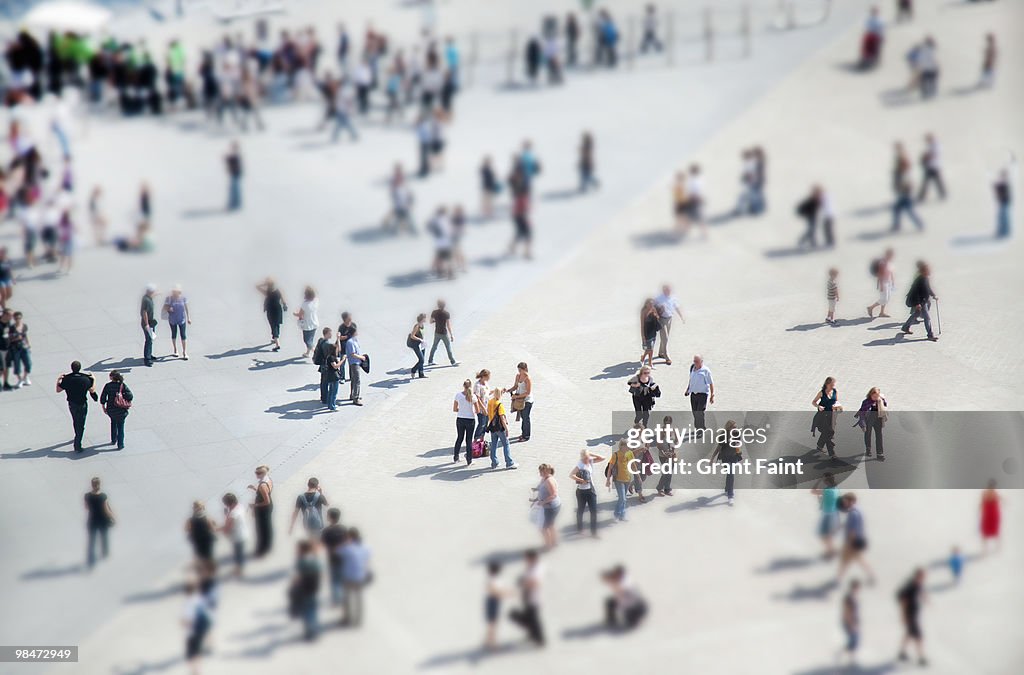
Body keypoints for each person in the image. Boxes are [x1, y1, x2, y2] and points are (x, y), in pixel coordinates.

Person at [57, 361, 96, 452]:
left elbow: (58, 390)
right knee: (81, 424)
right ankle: (77, 444)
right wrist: (94, 379)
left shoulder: (67, 379)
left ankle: (77, 434)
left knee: (75, 420)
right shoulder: (85, 378)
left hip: (72, 404)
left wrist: (58, 380)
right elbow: (92, 389)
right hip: (82, 404)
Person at [837, 493, 875, 583]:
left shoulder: (853, 513)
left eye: (845, 501)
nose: (844, 503)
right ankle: (871, 575)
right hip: (858, 540)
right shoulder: (858, 510)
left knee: (846, 560)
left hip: (852, 542)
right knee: (857, 559)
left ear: (850, 501)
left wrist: (850, 543)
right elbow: (856, 525)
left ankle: (838, 578)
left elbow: (853, 530)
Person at [509, 550, 545, 646]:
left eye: (527, 558)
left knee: (533, 620)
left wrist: (523, 582)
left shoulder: (537, 570)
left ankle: (540, 639)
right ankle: (532, 634)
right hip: (527, 597)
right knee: (530, 618)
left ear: (532, 558)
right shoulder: (531, 567)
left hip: (533, 598)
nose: (526, 560)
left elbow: (535, 583)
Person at [340, 528, 372, 627]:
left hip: (349, 577)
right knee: (359, 598)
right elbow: (367, 558)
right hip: (360, 576)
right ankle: (358, 619)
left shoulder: (347, 548)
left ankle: (348, 618)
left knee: (347, 598)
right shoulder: (366, 547)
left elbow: (338, 553)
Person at [569, 449, 604, 538]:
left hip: (591, 490)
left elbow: (602, 458)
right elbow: (571, 475)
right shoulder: (580, 464)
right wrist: (581, 480)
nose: (586, 460)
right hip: (581, 492)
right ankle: (580, 528)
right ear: (582, 458)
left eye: (587, 457)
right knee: (580, 510)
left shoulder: (590, 461)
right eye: (585, 458)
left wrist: (590, 454)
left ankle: (594, 533)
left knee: (594, 511)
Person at [897, 568, 928, 666]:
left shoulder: (917, 584)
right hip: (910, 615)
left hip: (913, 614)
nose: (924, 579)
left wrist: (925, 599)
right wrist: (903, 616)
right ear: (917, 576)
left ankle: (902, 652)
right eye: (922, 577)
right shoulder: (909, 587)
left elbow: (920, 591)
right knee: (919, 636)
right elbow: (903, 602)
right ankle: (921, 658)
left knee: (909, 634)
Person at [901, 261, 938, 341]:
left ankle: (905, 327)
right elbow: (915, 292)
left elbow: (928, 289)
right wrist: (917, 303)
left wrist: (933, 295)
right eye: (928, 270)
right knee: (927, 317)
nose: (930, 271)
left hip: (923, 301)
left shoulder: (925, 278)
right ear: (924, 271)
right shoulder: (920, 279)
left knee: (916, 314)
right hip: (920, 301)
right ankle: (930, 335)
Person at [292, 540, 322, 641]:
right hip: (314, 586)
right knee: (313, 609)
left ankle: (309, 631)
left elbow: (298, 577)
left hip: (304, 588)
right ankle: (315, 629)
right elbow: (320, 571)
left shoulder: (301, 561)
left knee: (307, 610)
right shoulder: (314, 559)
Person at [603, 565, 648, 630]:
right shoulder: (620, 579)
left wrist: (622, 608)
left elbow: (624, 600)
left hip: (636, 607)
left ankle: (637, 619)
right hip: (627, 601)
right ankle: (611, 620)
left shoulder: (625, 585)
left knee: (630, 622)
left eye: (615, 575)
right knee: (610, 602)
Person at [182, 579, 212, 675]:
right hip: (202, 626)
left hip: (193, 631)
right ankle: (198, 669)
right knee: (197, 650)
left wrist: (183, 623)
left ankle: (195, 671)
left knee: (191, 652)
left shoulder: (188, 604)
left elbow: (189, 620)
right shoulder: (199, 599)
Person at [84, 477, 115, 568]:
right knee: (104, 537)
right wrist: (113, 517)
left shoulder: (87, 496)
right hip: (102, 520)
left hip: (92, 520)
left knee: (92, 539)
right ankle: (105, 555)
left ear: (92, 485)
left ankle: (90, 558)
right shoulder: (103, 496)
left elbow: (86, 508)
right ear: (99, 484)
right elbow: (106, 509)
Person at [711, 420, 742, 506]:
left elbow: (738, 445)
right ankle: (729, 492)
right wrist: (712, 459)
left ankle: (729, 493)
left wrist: (737, 445)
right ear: (729, 427)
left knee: (730, 473)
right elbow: (718, 448)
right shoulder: (723, 436)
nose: (736, 429)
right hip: (725, 458)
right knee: (730, 473)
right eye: (734, 427)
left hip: (734, 457)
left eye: (736, 427)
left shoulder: (737, 434)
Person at [99, 370, 132, 449]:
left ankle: (113, 439)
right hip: (121, 410)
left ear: (112, 377)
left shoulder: (108, 386)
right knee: (121, 427)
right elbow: (130, 396)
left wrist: (104, 407)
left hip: (111, 409)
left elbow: (103, 398)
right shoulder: (122, 385)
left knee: (113, 423)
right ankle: (120, 444)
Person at [812, 472, 841, 558]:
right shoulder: (835, 489)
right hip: (834, 513)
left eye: (824, 480)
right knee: (827, 535)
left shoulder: (827, 490)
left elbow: (813, 491)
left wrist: (818, 481)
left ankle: (831, 551)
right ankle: (831, 550)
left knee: (825, 535)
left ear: (826, 481)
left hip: (828, 514)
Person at [487, 386, 516, 470]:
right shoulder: (499, 404)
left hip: (492, 426)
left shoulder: (490, 402)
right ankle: (509, 462)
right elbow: (502, 418)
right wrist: (506, 429)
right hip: (499, 427)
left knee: (493, 445)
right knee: (506, 444)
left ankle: (494, 462)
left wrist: (502, 391)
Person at [812, 377, 842, 458]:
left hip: (832, 416)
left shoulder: (835, 391)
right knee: (828, 433)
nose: (833, 386)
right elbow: (813, 402)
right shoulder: (822, 393)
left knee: (828, 432)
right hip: (822, 416)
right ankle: (832, 453)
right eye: (832, 384)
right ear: (827, 384)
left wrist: (837, 406)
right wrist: (818, 406)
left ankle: (819, 446)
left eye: (834, 384)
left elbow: (836, 401)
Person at [484, 561, 511, 651]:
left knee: (492, 623)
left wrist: (504, 593)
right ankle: (492, 643)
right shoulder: (492, 580)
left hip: (494, 601)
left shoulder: (494, 579)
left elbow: (497, 590)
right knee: (493, 623)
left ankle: (488, 640)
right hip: (493, 602)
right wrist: (506, 594)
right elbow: (493, 590)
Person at [606, 440, 635, 522]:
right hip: (618, 480)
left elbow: (633, 465)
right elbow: (610, 468)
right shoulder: (615, 455)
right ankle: (617, 514)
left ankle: (622, 515)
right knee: (623, 498)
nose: (628, 447)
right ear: (621, 446)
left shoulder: (630, 453)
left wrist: (638, 476)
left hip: (627, 479)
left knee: (623, 498)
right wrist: (608, 480)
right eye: (626, 446)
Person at [220, 492, 248, 577]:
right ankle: (239, 568)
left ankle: (239, 570)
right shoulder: (240, 506)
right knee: (239, 553)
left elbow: (228, 527)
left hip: (237, 536)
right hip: (243, 532)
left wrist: (220, 529)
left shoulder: (233, 514)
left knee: (238, 554)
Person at [533, 464, 561, 550]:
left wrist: (542, 502)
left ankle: (548, 545)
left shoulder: (549, 481)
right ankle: (554, 542)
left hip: (551, 507)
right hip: (549, 506)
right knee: (550, 525)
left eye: (541, 472)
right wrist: (536, 490)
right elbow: (542, 488)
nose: (539, 473)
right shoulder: (544, 478)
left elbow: (554, 495)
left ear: (545, 472)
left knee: (544, 528)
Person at [248, 465, 274, 557]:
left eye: (258, 473)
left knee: (261, 529)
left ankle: (261, 549)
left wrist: (254, 505)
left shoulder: (262, 485)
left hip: (263, 509)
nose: (256, 474)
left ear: (263, 473)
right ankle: (267, 546)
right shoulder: (268, 480)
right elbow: (267, 492)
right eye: (256, 472)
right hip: (268, 508)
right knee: (267, 527)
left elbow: (266, 501)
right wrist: (255, 489)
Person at [855, 387, 887, 459]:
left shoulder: (881, 400)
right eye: (874, 396)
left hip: (878, 419)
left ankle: (880, 453)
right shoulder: (866, 402)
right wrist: (863, 425)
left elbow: (885, 407)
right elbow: (862, 414)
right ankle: (868, 448)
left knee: (879, 435)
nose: (876, 398)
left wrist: (882, 403)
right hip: (869, 419)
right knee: (868, 433)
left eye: (877, 396)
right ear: (870, 394)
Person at [685, 354, 714, 430]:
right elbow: (691, 379)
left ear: (701, 361)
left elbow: (711, 383)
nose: (695, 363)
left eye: (697, 361)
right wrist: (688, 389)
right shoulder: (692, 368)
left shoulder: (706, 371)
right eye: (694, 361)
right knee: (694, 412)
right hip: (693, 394)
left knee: (699, 412)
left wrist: (712, 395)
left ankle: (700, 428)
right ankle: (699, 426)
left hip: (702, 395)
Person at [257, 278, 287, 352]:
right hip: (278, 309)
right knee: (277, 324)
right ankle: (275, 338)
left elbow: (257, 287)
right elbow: (283, 299)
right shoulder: (278, 291)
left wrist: (264, 284)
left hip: (271, 310)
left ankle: (277, 344)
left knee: (273, 325)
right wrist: (284, 305)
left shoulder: (267, 292)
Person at [453, 379, 477, 465]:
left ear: (463, 386)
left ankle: (456, 457)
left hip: (460, 419)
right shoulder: (473, 396)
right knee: (469, 440)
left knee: (459, 438)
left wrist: (462, 410)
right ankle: (469, 460)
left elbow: (455, 409)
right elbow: (477, 410)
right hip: (470, 419)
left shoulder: (458, 395)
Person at [164, 285, 191, 360]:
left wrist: (189, 318)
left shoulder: (183, 298)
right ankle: (175, 349)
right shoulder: (169, 298)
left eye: (177, 292)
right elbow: (165, 307)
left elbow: (186, 308)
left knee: (183, 335)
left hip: (182, 319)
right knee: (174, 334)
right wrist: (169, 308)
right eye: (174, 292)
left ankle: (184, 352)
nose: (176, 294)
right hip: (172, 319)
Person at [866, 248, 895, 318]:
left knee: (887, 298)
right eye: (890, 255)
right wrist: (881, 285)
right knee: (884, 299)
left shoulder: (889, 262)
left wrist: (893, 281)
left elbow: (891, 272)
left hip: (888, 282)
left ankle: (882, 312)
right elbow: (880, 274)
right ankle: (871, 307)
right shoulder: (883, 263)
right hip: (883, 282)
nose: (891, 256)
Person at [508, 362, 533, 442]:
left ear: (524, 369)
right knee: (523, 417)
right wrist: (509, 390)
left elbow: (528, 392)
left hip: (527, 400)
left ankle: (526, 435)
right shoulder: (518, 376)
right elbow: (516, 386)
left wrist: (516, 396)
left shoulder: (527, 378)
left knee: (526, 418)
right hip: (520, 400)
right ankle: (523, 433)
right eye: (518, 370)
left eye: (520, 370)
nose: (519, 371)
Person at [428, 299, 457, 366]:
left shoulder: (434, 312)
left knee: (434, 346)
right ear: (444, 305)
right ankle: (452, 361)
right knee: (448, 347)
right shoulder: (446, 313)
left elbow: (430, 321)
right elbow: (448, 325)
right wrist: (451, 334)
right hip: (444, 333)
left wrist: (436, 321)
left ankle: (430, 360)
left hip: (437, 332)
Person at [917, 134, 945, 202]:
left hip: (934, 166)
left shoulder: (935, 145)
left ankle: (942, 194)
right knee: (929, 181)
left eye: (927, 139)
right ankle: (922, 195)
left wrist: (926, 157)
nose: (926, 141)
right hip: (930, 166)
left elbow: (934, 154)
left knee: (934, 181)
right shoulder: (931, 145)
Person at [7, 311, 31, 387]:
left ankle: (25, 377)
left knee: (28, 364)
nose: (18, 320)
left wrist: (28, 344)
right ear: (14, 319)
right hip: (15, 348)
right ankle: (20, 380)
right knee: (17, 365)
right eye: (16, 318)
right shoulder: (11, 328)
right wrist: (16, 338)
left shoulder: (24, 326)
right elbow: (9, 339)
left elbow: (25, 335)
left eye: (19, 318)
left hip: (24, 347)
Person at [294, 286, 320, 358]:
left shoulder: (305, 304)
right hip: (314, 322)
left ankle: (316, 353)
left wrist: (294, 313)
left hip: (307, 325)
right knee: (311, 339)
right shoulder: (316, 300)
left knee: (307, 341)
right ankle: (307, 353)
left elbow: (300, 314)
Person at [344, 327, 367, 405]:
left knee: (354, 380)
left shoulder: (355, 340)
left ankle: (353, 395)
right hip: (354, 363)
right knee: (356, 380)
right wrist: (362, 358)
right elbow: (353, 354)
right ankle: (356, 398)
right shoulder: (350, 342)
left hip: (357, 362)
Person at [655, 415, 677, 496]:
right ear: (664, 422)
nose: (668, 424)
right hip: (663, 455)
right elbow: (658, 444)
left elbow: (676, 441)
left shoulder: (673, 430)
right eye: (666, 422)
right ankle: (659, 488)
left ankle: (667, 488)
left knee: (670, 472)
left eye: (669, 422)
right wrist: (664, 452)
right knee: (666, 472)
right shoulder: (661, 430)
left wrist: (675, 444)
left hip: (672, 454)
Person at [841, 579, 861, 665]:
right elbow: (847, 612)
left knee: (853, 640)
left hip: (851, 622)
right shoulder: (849, 598)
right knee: (854, 640)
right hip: (849, 622)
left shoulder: (851, 597)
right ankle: (850, 658)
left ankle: (848, 655)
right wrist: (851, 624)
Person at [980, 480, 1001, 554]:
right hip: (989, 513)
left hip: (992, 513)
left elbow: (981, 503)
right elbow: (982, 503)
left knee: (992, 531)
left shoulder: (990, 493)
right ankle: (987, 549)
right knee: (987, 531)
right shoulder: (989, 493)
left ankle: (995, 548)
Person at [140, 283, 158, 367]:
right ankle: (147, 359)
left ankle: (149, 354)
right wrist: (147, 324)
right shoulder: (146, 300)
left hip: (151, 322)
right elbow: (144, 312)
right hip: (148, 323)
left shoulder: (148, 297)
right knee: (148, 340)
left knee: (150, 339)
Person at [639, 299, 660, 369]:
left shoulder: (653, 309)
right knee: (649, 348)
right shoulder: (643, 312)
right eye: (650, 304)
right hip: (647, 332)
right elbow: (642, 325)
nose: (651, 305)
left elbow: (657, 317)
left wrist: (655, 314)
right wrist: (643, 336)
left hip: (653, 331)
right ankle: (643, 358)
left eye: (652, 304)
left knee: (651, 348)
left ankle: (650, 363)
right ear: (646, 304)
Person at [406, 313, 427, 379]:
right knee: (421, 360)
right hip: (416, 344)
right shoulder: (417, 326)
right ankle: (413, 370)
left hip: (421, 344)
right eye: (425, 318)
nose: (426, 319)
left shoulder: (422, 325)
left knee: (422, 359)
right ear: (422, 319)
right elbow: (412, 336)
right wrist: (420, 339)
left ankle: (421, 373)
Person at [472, 369, 491, 441]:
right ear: (484, 376)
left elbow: (488, 393)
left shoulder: (485, 383)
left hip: (487, 406)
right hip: (481, 408)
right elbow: (477, 398)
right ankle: (476, 439)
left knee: (486, 424)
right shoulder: (477, 385)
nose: (489, 378)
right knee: (481, 424)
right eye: (488, 376)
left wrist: (496, 391)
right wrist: (483, 408)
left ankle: (482, 438)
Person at [994, 169, 1011, 239]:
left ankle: (1004, 232)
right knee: (1001, 217)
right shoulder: (1001, 183)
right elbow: (998, 192)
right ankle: (1001, 231)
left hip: (1004, 202)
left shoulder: (1005, 183)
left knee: (1004, 217)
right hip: (1002, 202)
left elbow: (1005, 194)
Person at [225, 141, 243, 210]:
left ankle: (236, 203)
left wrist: (228, 159)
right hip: (234, 174)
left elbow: (235, 165)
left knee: (235, 189)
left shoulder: (235, 155)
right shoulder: (233, 155)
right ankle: (234, 202)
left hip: (235, 174)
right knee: (233, 189)